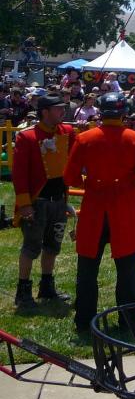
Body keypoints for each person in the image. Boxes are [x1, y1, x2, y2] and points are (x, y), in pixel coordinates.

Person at [64, 92, 135, 333]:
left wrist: (91, 183)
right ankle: (129, 318)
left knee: (87, 269)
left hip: (94, 208)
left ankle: (84, 321)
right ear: (124, 113)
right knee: (127, 270)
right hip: (124, 209)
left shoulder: (84, 138)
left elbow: (70, 176)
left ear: (101, 113)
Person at [12, 94, 77, 309]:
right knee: (31, 247)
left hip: (58, 200)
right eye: (58, 109)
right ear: (45, 112)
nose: (62, 112)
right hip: (37, 201)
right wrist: (24, 204)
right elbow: (19, 174)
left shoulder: (67, 132)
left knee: (53, 246)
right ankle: (23, 290)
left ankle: (47, 286)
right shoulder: (27, 137)